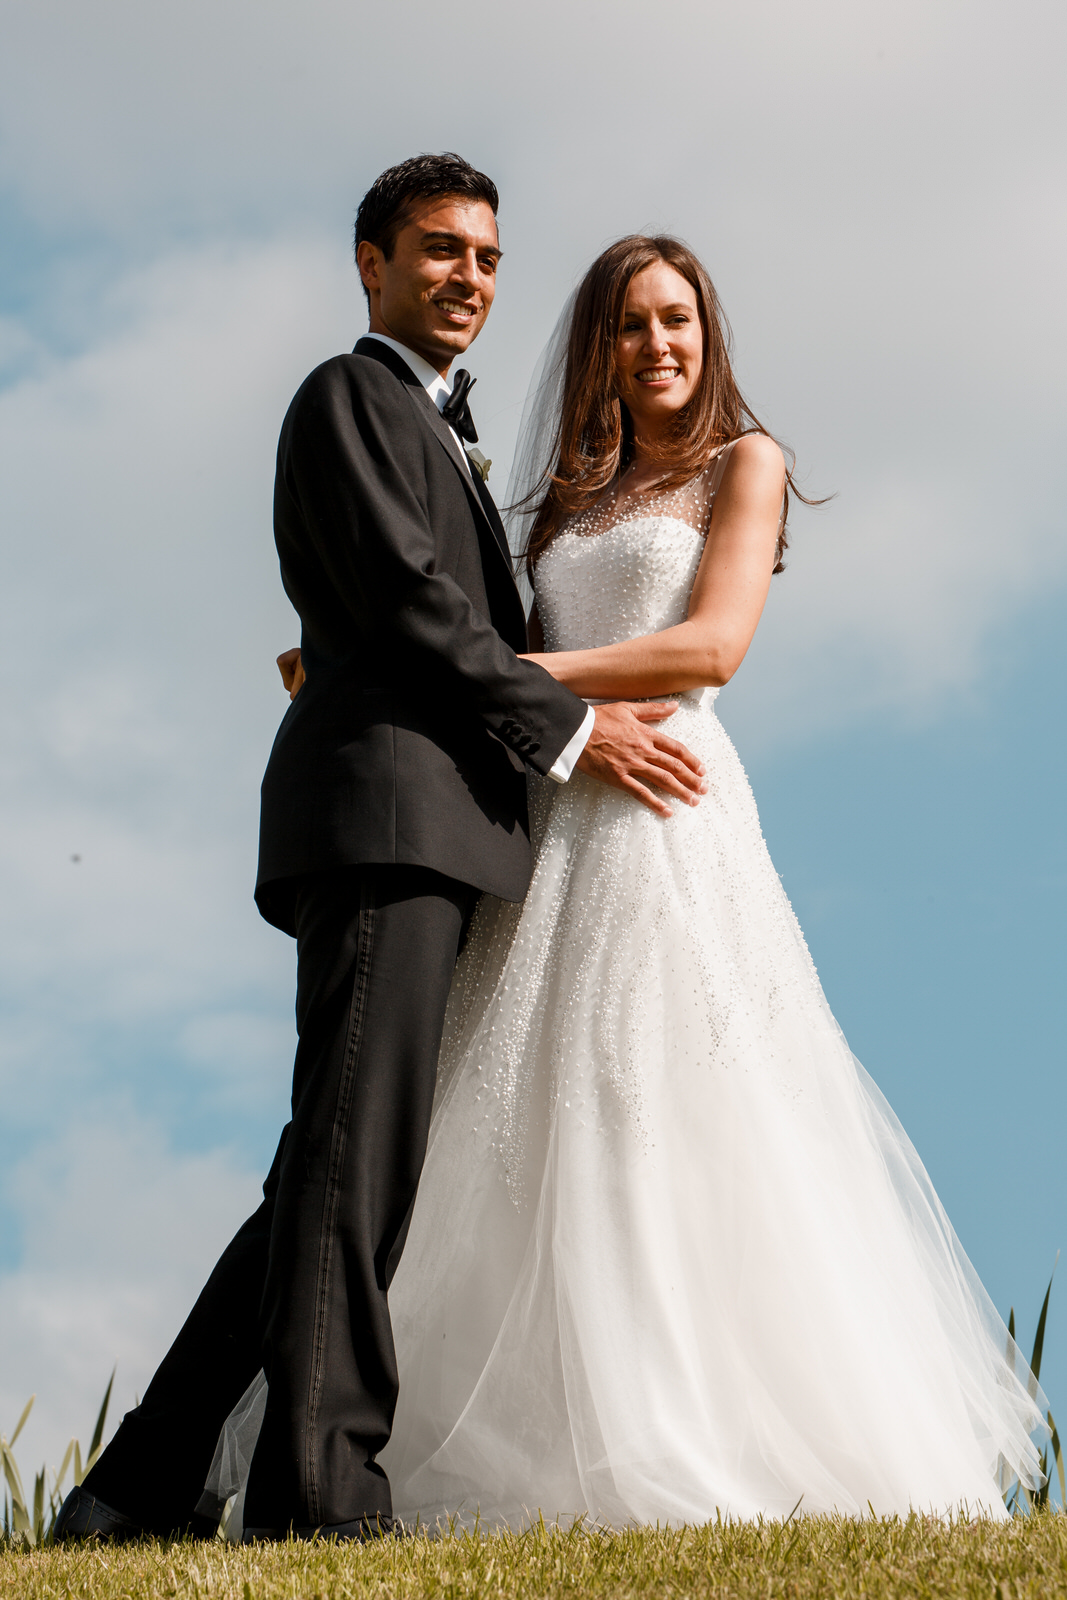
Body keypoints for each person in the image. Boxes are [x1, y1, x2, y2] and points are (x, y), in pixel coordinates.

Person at [252, 233, 1045, 1528]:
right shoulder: (569, 500)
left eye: (677, 319)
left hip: (668, 805)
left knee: (671, 1098)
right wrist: (356, 659)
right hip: (560, 811)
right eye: (630, 326)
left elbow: (710, 644)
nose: (657, 345)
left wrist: (479, 681)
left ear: (708, 333)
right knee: (521, 1124)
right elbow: (471, 624)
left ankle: (691, 1429)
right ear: (600, 351)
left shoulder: (750, 463)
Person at [54, 157, 707, 1546]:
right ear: (369, 263)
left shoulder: (441, 432)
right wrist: (575, 731)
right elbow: (416, 607)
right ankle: (321, 1494)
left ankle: (135, 1491)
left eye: (486, 256)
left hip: (442, 835)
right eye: (437, 250)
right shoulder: (347, 399)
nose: (468, 275)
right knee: (354, 1172)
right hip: (388, 829)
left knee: (324, 1173)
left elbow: (417, 612)